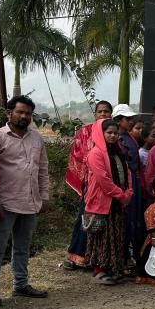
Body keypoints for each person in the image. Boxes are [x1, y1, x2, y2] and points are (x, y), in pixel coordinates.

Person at [0, 95, 49, 307]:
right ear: (9, 113)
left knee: (22, 246)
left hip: (30, 202)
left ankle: (21, 284)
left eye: (28, 113)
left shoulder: (37, 138)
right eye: (20, 112)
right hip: (5, 203)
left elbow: (43, 169)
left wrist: (44, 196)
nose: (24, 116)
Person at [62, 100, 113, 270]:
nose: (103, 114)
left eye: (106, 111)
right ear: (95, 113)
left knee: (106, 225)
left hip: (108, 186)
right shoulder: (85, 132)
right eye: (100, 111)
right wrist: (91, 164)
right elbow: (77, 153)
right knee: (85, 220)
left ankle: (98, 259)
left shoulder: (112, 132)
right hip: (90, 185)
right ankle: (77, 256)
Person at [85, 119, 134, 284]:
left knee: (116, 236)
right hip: (102, 202)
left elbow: (127, 173)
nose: (113, 136)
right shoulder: (95, 153)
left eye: (115, 133)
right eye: (109, 133)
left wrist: (129, 192)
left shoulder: (118, 152)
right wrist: (121, 195)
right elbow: (103, 180)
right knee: (102, 238)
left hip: (118, 202)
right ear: (101, 133)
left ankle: (113, 269)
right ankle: (99, 271)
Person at [113, 105, 144, 273]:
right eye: (127, 118)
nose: (131, 121)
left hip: (134, 183)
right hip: (123, 184)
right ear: (119, 120)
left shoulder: (130, 138)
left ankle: (129, 258)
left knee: (133, 221)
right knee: (124, 222)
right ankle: (121, 260)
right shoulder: (116, 138)